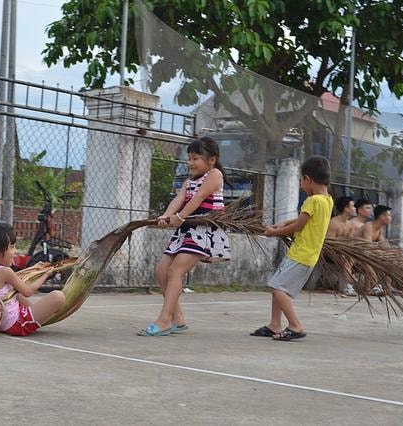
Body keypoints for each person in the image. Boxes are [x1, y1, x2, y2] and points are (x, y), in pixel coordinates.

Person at [138, 136, 231, 337]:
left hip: (204, 229)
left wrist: (179, 217)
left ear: (212, 160)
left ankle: (164, 320)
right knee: (162, 270)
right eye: (189, 158)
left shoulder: (215, 175)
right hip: (186, 229)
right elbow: (179, 199)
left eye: (195, 158)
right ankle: (177, 319)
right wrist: (165, 216)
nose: (190, 163)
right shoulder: (188, 182)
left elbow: (199, 198)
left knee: (175, 271)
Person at [250, 156, 333, 341]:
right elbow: (302, 220)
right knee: (279, 285)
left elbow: (298, 227)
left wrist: (274, 233)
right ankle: (274, 324)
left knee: (277, 287)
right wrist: (283, 224)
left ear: (308, 179)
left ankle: (295, 326)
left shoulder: (312, 201)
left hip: (301, 255)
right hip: (306, 254)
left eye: (301, 180)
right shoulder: (327, 201)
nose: (301, 185)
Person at [0, 222, 66, 336]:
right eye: (12, 247)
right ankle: (37, 316)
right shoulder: (4, 271)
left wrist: (34, 268)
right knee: (58, 297)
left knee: (15, 292)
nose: (15, 251)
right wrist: (45, 274)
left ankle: (36, 312)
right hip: (16, 324)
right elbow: (28, 291)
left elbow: (15, 280)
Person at [326, 196, 357, 296]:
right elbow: (329, 244)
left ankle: (372, 285)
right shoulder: (334, 223)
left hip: (344, 253)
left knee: (352, 258)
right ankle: (347, 286)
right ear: (346, 208)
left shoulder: (350, 225)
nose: (355, 208)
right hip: (329, 254)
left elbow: (351, 242)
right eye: (353, 206)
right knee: (347, 259)